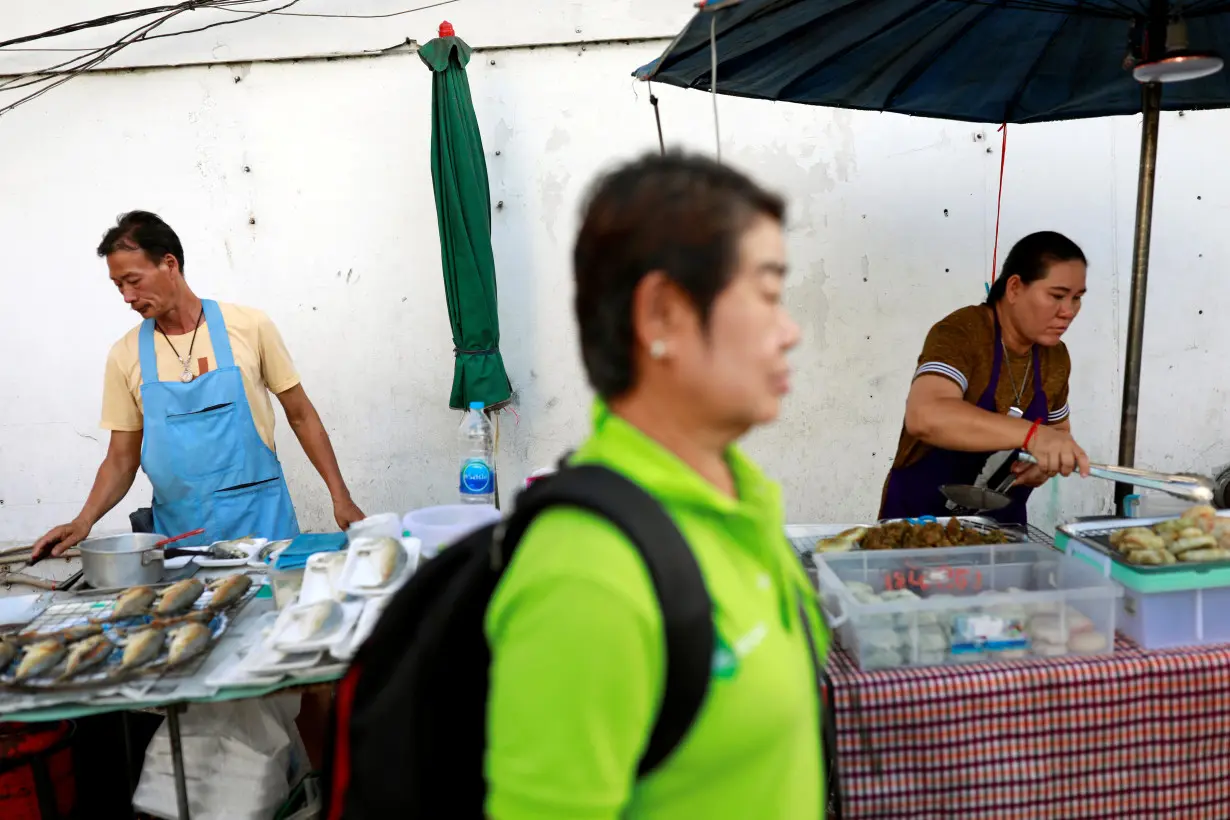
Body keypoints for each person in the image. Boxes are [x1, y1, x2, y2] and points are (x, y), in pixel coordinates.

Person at [482, 153, 827, 819]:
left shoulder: (740, 501)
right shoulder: (587, 574)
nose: (791, 332)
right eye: (766, 293)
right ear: (663, 314)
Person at [33, 210, 364, 558]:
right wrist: (84, 520)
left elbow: (301, 416)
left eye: (133, 280)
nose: (127, 296)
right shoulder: (124, 354)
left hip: (264, 525)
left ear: (169, 264)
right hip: (182, 538)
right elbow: (121, 458)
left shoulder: (249, 326)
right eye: (119, 286)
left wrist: (340, 498)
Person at [880, 231, 1092, 526]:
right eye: (1056, 296)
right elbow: (925, 415)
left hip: (1000, 535)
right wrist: (1031, 435)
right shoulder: (964, 333)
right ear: (1015, 288)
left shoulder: (1054, 357)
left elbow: (1058, 434)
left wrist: (1044, 465)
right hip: (917, 533)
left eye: (1077, 298)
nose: (1068, 312)